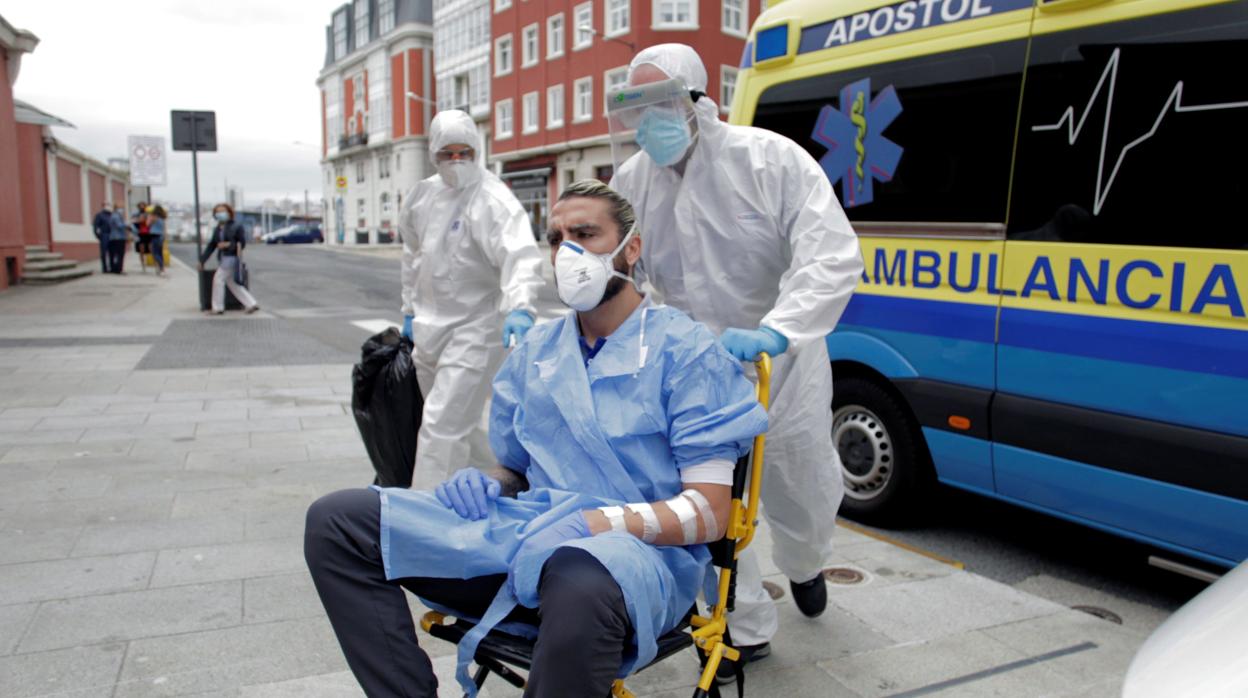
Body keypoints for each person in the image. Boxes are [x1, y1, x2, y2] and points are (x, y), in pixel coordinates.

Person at [305, 180, 768, 697]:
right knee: (338, 522)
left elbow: (709, 514)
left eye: (586, 234)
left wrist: (593, 523)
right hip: (529, 535)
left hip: (638, 560)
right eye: (556, 237)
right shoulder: (538, 351)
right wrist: (484, 482)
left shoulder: (686, 353)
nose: (567, 251)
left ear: (630, 248)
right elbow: (516, 470)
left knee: (579, 570)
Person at [608, 43, 864, 675]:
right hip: (694, 369)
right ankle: (739, 626)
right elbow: (606, 258)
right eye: (636, 110)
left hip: (782, 362)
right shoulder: (633, 179)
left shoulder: (770, 160)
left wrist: (777, 331)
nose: (648, 124)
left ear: (701, 102)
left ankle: (806, 563)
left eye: (660, 105)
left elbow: (829, 254)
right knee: (706, 496)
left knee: (797, 490)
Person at [397, 110, 545, 490]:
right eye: (448, 153)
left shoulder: (492, 199)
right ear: (433, 154)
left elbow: (520, 255)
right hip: (430, 330)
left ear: (477, 151)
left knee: (441, 425)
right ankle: (501, 483)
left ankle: (424, 516)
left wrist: (520, 307)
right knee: (452, 420)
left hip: (476, 329)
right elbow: (412, 257)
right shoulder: (422, 197)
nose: (457, 161)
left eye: (466, 152)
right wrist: (409, 310)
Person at [198, 203, 260, 314]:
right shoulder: (217, 229)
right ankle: (251, 303)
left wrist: (229, 244)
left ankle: (217, 308)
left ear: (229, 213)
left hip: (232, 257)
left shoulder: (236, 226)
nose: (220, 214)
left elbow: (242, 243)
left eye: (222, 211)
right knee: (232, 282)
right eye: (217, 212)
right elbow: (212, 245)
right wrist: (202, 260)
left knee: (218, 279)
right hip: (224, 257)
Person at [91, 202, 113, 273]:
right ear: (103, 206)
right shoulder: (99, 215)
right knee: (103, 252)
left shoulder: (111, 215)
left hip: (113, 236)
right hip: (104, 235)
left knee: (112, 252)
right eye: (107, 205)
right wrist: (98, 235)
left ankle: (111, 267)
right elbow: (95, 226)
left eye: (109, 205)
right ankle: (104, 268)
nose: (108, 206)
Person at [107, 204, 129, 274]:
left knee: (116, 254)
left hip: (115, 237)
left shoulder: (115, 216)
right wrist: (127, 224)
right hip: (118, 237)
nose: (123, 210)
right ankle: (118, 269)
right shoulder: (116, 216)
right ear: (117, 208)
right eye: (122, 208)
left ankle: (116, 268)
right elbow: (119, 225)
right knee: (120, 254)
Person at [147, 205, 168, 277]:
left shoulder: (153, 217)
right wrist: (165, 237)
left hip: (154, 235)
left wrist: (149, 218)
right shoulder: (162, 218)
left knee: (155, 253)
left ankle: (161, 267)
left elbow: (148, 224)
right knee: (160, 253)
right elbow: (164, 228)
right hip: (161, 236)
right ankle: (161, 269)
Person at [132, 203, 152, 273]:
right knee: (141, 251)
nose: (142, 207)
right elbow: (134, 222)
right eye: (140, 206)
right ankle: (143, 266)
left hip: (148, 233)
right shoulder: (136, 214)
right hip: (140, 234)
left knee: (151, 249)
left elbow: (148, 223)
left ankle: (155, 265)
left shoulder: (148, 214)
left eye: (143, 206)